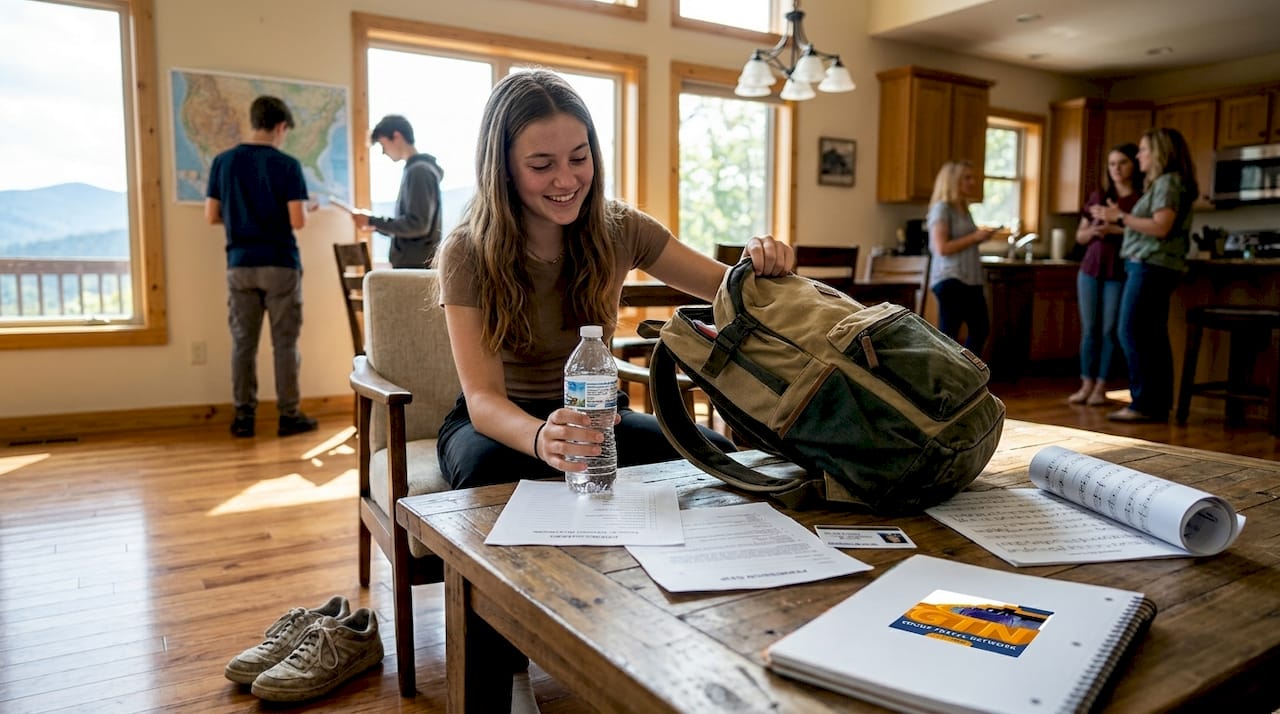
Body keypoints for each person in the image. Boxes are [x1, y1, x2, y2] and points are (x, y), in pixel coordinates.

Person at [436, 70, 794, 711]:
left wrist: (761, 263)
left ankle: (673, 622)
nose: (566, 179)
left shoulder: (619, 227)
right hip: (499, 423)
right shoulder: (467, 251)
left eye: (579, 158)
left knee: (712, 457)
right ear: (504, 169)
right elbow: (485, 401)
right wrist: (543, 436)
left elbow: (728, 289)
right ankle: (501, 662)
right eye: (541, 164)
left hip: (595, 416)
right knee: (493, 474)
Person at [205, 95, 318, 438]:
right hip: (281, 265)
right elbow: (297, 221)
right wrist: (306, 210)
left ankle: (244, 417)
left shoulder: (223, 162)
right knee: (284, 344)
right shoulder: (287, 165)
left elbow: (211, 215)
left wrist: (243, 218)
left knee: (243, 343)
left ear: (254, 120)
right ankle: (289, 415)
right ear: (281, 127)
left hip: (239, 264)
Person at [1090, 128, 1197, 423]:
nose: (1138, 156)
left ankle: (1143, 404)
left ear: (1160, 152)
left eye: (1143, 150)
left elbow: (1161, 227)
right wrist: (1119, 223)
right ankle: (1156, 404)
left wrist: (1120, 217)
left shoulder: (1167, 182)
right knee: (1152, 335)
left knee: (1131, 330)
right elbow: (1154, 226)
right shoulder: (1167, 183)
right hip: (1154, 265)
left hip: (1151, 266)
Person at [1069, 143, 1143, 406]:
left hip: (1118, 270)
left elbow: (1142, 231)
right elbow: (1080, 235)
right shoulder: (1098, 196)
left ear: (1134, 165)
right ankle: (1086, 383)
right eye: (1112, 164)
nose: (1116, 169)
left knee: (1109, 330)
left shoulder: (1139, 200)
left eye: (1122, 163)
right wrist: (1094, 232)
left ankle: (1102, 387)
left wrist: (1115, 228)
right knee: (1089, 330)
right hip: (1089, 269)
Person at [926, 160, 999, 353]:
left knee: (981, 329)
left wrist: (979, 237)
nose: (973, 182)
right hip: (951, 279)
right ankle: (948, 378)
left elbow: (965, 240)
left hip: (970, 279)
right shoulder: (942, 209)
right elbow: (941, 248)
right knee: (949, 336)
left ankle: (964, 375)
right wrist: (974, 237)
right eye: (967, 178)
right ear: (952, 181)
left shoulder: (964, 209)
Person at [353, 114, 444, 268]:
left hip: (415, 268)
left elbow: (418, 225)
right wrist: (376, 226)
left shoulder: (419, 171)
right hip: (413, 265)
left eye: (383, 144)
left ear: (396, 136)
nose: (383, 152)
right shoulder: (416, 170)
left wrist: (372, 221)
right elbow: (411, 228)